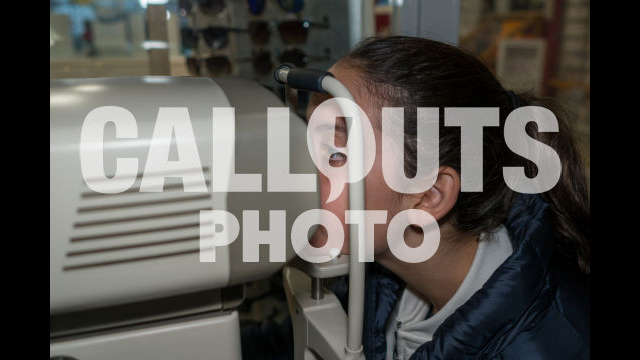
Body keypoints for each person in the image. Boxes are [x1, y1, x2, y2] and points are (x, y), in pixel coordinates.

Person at [242, 35, 590, 360]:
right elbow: (277, 343)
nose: (298, 171)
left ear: (429, 196)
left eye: (334, 154)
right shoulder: (379, 276)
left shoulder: (550, 344)